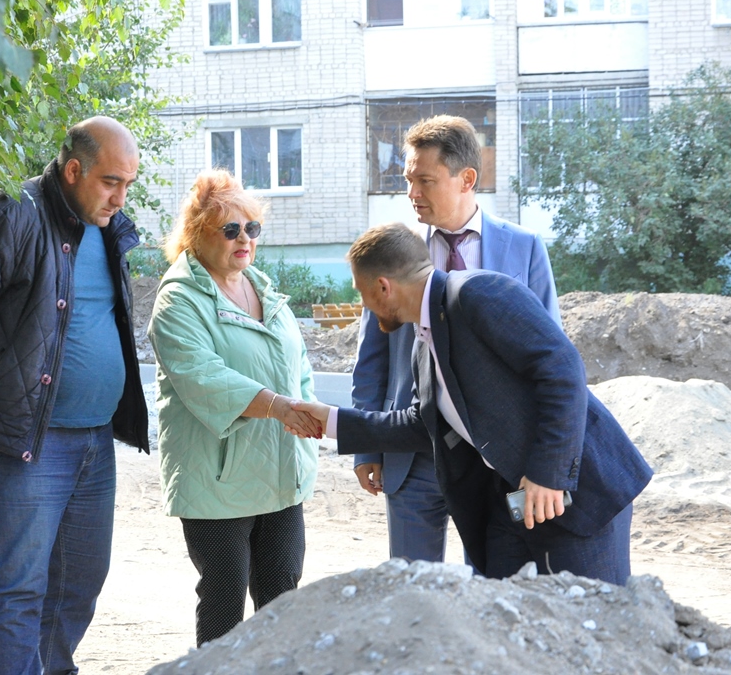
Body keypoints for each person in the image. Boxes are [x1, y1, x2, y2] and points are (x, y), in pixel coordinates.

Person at [294, 223, 652, 585]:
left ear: (383, 287)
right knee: (504, 615)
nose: (363, 305)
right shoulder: (424, 342)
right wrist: (331, 420)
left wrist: (548, 474)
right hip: (510, 506)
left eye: (361, 292)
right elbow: (422, 424)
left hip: (576, 496)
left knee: (588, 615)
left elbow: (562, 369)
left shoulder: (477, 292)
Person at [0, 116, 150, 675]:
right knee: (17, 589)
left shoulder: (107, 226)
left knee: (78, 582)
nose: (121, 198)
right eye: (111, 182)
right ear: (73, 170)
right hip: (28, 439)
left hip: (95, 438)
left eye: (128, 184)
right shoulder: (10, 213)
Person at [351, 115, 560, 564]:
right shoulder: (394, 249)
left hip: (497, 458)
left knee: (493, 586)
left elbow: (551, 358)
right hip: (413, 455)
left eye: (425, 181)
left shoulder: (524, 248)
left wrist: (545, 459)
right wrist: (367, 445)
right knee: (415, 588)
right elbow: (372, 357)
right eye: (408, 180)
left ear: (467, 179)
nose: (412, 193)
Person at [147, 169, 322, 646]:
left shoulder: (264, 288)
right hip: (217, 480)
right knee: (224, 602)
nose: (244, 238)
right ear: (196, 235)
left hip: (280, 473)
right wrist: (277, 406)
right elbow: (203, 377)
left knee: (283, 599)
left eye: (252, 228)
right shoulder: (178, 300)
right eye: (230, 229)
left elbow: (298, 367)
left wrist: (305, 416)